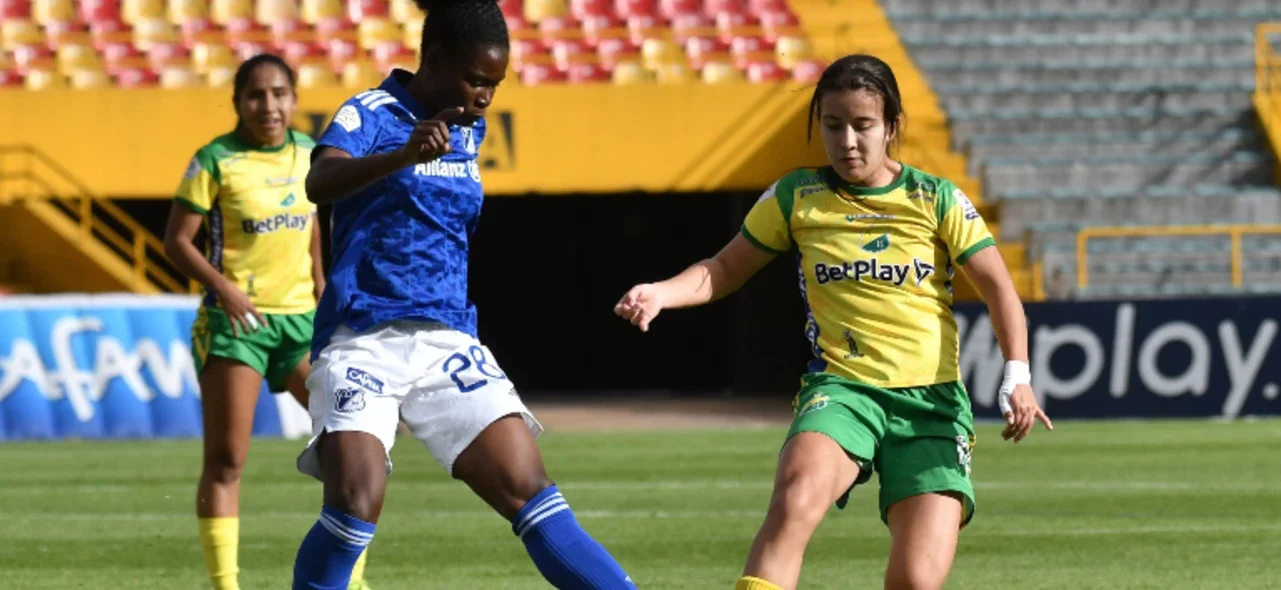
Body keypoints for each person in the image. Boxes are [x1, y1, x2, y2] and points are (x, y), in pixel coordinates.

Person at [614, 54, 1054, 590]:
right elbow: (724, 268)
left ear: (891, 126)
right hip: (844, 391)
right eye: (832, 124)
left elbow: (998, 288)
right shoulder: (796, 196)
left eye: (863, 125)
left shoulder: (935, 198)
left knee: (916, 580)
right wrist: (662, 292)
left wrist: (1018, 374)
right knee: (795, 501)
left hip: (931, 405)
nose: (847, 140)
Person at [288, 1, 636, 589]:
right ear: (435, 60)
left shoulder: (467, 130)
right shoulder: (372, 111)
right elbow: (318, 182)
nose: (485, 97)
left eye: (495, 84)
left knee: (533, 494)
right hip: (362, 336)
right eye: (477, 79)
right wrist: (401, 155)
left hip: (446, 336)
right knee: (355, 502)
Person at [163, 54, 370, 590]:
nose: (269, 106)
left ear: (295, 99)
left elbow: (310, 228)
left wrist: (322, 283)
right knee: (228, 460)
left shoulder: (309, 153)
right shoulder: (215, 159)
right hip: (238, 327)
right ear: (237, 103)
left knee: (349, 452)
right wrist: (224, 288)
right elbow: (177, 241)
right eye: (256, 95)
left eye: (279, 94)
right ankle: (225, 585)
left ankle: (348, 580)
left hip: (301, 324)